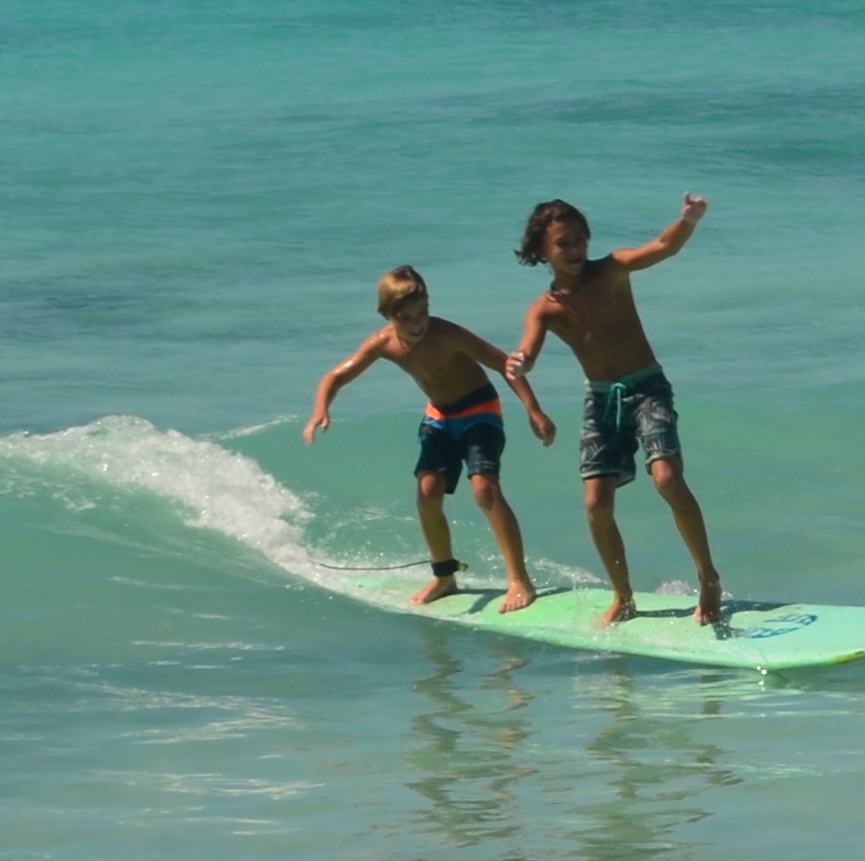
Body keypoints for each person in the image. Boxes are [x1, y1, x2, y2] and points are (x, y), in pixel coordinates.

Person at [503, 192, 723, 625]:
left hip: (647, 386)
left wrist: (689, 220)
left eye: (580, 239)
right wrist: (521, 363)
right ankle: (623, 597)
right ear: (542, 250)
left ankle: (708, 577)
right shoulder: (545, 309)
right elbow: (527, 352)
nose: (575, 249)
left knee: (667, 477)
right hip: (602, 399)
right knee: (596, 504)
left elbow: (663, 246)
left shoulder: (613, 268)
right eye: (563, 243)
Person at [303, 267, 554, 608]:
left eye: (422, 312)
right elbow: (335, 376)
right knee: (427, 494)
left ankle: (520, 580)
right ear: (387, 315)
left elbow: (504, 364)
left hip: (479, 409)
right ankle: (445, 577)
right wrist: (321, 409)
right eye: (406, 317)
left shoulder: (448, 335)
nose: (417, 323)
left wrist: (534, 410)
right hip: (440, 416)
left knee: (484, 488)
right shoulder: (383, 344)